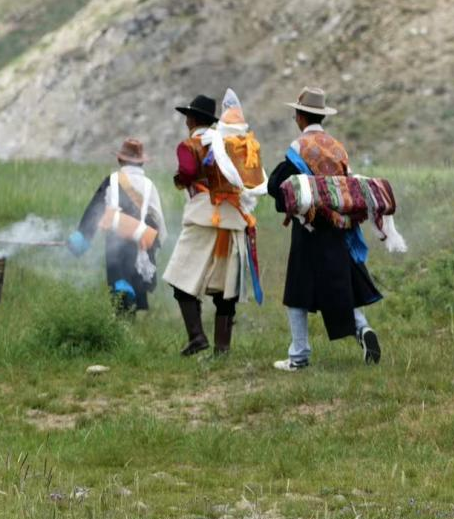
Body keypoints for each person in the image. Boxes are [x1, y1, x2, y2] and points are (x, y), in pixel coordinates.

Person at [266, 87, 382, 371]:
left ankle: (299, 355)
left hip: (309, 227)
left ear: (301, 117)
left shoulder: (299, 148)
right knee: (340, 284)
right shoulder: (337, 147)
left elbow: (277, 187)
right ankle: (363, 329)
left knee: (297, 291)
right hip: (338, 225)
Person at [162, 92, 265, 356]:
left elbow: (186, 172)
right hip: (232, 217)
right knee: (225, 288)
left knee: (180, 278)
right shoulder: (230, 144)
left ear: (192, 119)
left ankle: (197, 337)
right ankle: (222, 350)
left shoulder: (189, 146)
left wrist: (180, 178)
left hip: (203, 218)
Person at [68, 138, 164, 316]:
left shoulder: (112, 180)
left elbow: (94, 212)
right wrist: (155, 245)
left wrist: (82, 239)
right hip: (141, 241)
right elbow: (157, 217)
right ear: (142, 162)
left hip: (117, 243)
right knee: (135, 284)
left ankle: (122, 328)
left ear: (120, 160)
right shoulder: (150, 185)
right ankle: (130, 327)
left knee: (120, 286)